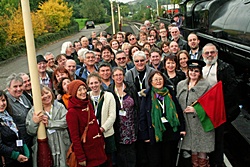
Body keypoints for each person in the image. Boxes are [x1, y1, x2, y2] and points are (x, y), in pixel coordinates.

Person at [201, 43, 240, 167]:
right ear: (203, 55)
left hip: (219, 109)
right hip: (204, 109)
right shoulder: (200, 68)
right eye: (207, 53)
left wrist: (220, 103)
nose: (210, 55)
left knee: (218, 139)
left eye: (212, 52)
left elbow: (232, 88)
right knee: (206, 137)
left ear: (216, 53)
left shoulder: (225, 67)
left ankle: (217, 162)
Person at [139, 71, 185, 167]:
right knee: (155, 161)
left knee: (169, 160)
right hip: (155, 133)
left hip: (170, 132)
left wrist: (182, 128)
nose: (158, 81)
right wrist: (145, 135)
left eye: (160, 79)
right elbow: (142, 116)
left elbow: (178, 111)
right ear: (151, 82)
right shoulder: (147, 96)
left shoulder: (170, 92)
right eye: (155, 79)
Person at [176, 59, 214, 167]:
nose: (193, 73)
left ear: (200, 73)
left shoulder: (207, 86)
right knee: (192, 153)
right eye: (191, 70)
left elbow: (212, 105)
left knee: (202, 152)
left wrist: (196, 109)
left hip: (201, 124)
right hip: (187, 124)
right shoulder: (181, 84)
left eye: (196, 71)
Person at [26, 85, 71, 167]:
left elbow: (66, 122)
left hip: (61, 145)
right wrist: (34, 122)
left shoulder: (59, 106)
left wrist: (50, 123)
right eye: (42, 95)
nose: (46, 96)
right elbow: (30, 131)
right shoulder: (33, 111)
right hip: (46, 148)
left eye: (47, 93)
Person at [66, 80, 107, 167]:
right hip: (86, 152)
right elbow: (75, 137)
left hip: (97, 148)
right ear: (74, 92)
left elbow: (95, 125)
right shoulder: (72, 112)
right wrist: (80, 156)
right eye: (79, 90)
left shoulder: (88, 104)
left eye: (84, 89)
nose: (83, 92)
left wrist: (101, 142)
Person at [108, 67, 140, 167]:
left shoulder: (130, 87)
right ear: (112, 77)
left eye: (120, 74)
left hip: (131, 125)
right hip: (118, 126)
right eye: (116, 75)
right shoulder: (109, 90)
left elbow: (137, 105)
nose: (118, 77)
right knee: (120, 155)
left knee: (131, 153)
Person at [87, 73, 116, 167]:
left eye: (96, 82)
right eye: (91, 83)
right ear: (88, 85)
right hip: (92, 136)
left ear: (100, 82)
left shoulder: (108, 95)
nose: (94, 85)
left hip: (106, 133)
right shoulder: (86, 97)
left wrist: (102, 128)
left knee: (108, 160)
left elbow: (112, 115)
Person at [0, 90, 30, 167]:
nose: (2, 104)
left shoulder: (9, 116)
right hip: (8, 160)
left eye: (3, 100)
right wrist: (15, 155)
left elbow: (18, 134)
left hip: (20, 156)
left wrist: (25, 149)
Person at [5, 73, 32, 147]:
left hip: (30, 138)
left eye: (20, 86)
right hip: (20, 143)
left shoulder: (23, 96)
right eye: (15, 86)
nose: (19, 89)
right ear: (8, 88)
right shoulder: (6, 102)